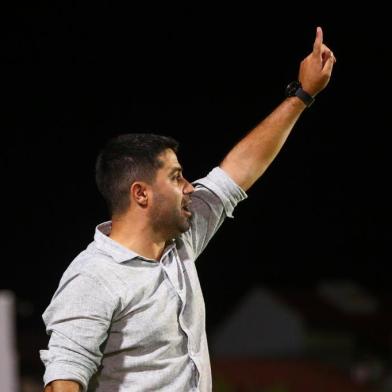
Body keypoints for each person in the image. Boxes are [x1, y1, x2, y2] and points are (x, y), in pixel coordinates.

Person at [40, 27, 336, 392]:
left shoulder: (181, 240)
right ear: (141, 194)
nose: (189, 187)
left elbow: (237, 173)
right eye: (177, 177)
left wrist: (303, 95)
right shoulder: (94, 277)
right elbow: (63, 378)